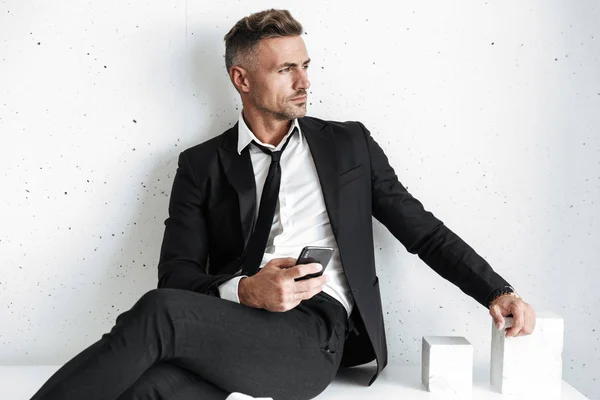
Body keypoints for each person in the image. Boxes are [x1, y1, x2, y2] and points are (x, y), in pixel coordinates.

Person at [30, 8, 537, 400]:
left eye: (306, 66)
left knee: (160, 316)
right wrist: (246, 291)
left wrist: (496, 290)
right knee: (150, 390)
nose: (305, 82)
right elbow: (177, 276)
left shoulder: (348, 145)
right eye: (286, 69)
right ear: (242, 80)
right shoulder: (199, 166)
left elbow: (421, 229)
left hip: (315, 332)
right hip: (234, 327)